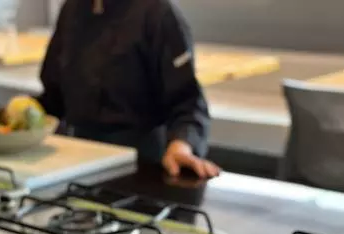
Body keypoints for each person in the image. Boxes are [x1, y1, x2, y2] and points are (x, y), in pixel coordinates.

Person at [37, 0, 220, 179]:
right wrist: (27, 117)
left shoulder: (156, 12)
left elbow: (188, 103)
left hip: (142, 165)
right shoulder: (71, 10)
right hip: (76, 162)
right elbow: (54, 97)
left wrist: (181, 147)